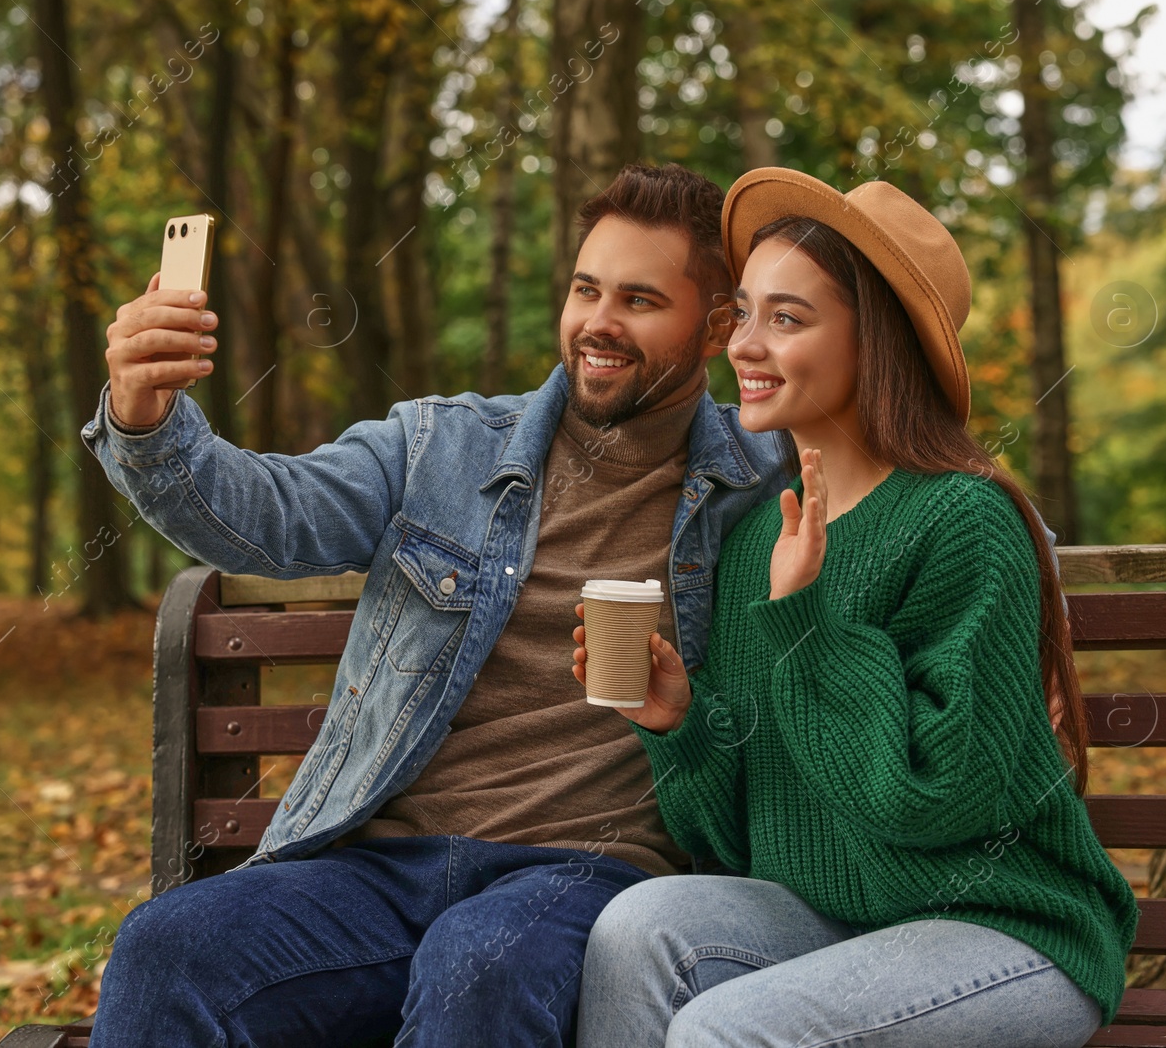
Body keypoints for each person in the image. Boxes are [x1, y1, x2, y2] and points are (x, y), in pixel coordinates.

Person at [77, 163, 799, 1047]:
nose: (598, 324)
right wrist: (144, 415)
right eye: (585, 290)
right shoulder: (442, 445)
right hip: (382, 868)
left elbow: (935, 502)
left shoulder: (768, 485)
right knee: (168, 944)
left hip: (583, 876)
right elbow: (269, 513)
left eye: (641, 300)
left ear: (718, 325)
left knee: (482, 964)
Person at [570, 168, 1137, 1048]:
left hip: (999, 929)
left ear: (874, 342)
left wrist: (809, 628)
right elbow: (741, 832)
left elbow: (936, 800)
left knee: (724, 1030)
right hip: (834, 917)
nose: (745, 347)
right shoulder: (763, 535)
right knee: (637, 928)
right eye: (746, 312)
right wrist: (680, 722)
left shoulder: (964, 520)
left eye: (787, 319)